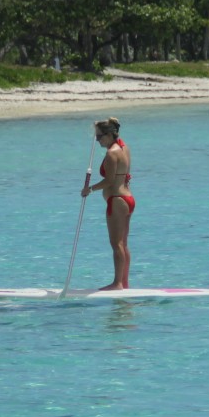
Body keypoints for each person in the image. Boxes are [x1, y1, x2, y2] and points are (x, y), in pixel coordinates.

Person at [82, 117, 134, 290]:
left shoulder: (112, 153)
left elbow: (109, 181)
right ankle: (123, 283)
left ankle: (117, 283)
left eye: (99, 137)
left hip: (117, 200)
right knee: (123, 244)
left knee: (116, 243)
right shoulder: (124, 147)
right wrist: (100, 124)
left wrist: (89, 189)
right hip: (127, 199)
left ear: (109, 135)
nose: (97, 141)